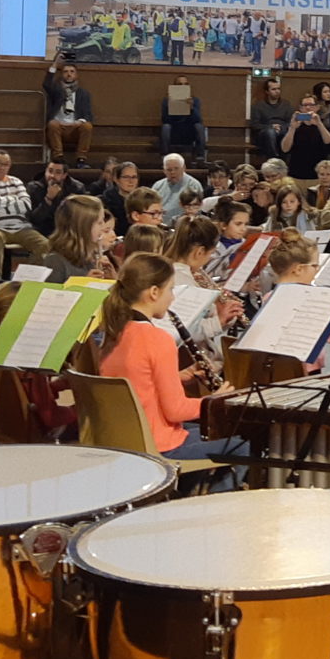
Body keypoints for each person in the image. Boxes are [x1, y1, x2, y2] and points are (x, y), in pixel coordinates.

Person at [96, 254, 243, 480]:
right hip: (160, 446)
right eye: (171, 290)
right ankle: (209, 502)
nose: (172, 298)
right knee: (246, 441)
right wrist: (215, 401)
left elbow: (134, 382)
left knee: (212, 432)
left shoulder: (113, 332)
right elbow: (176, 411)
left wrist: (178, 377)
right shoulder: (158, 339)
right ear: (154, 292)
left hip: (125, 439)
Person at [0, 151, 52, 281]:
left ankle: (27, 278)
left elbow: (25, 205)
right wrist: (12, 200)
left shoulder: (16, 182)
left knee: (44, 244)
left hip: (20, 227)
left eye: (6, 164)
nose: (1, 167)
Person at [165, 215, 244, 348]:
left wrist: (223, 313)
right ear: (200, 252)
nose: (209, 259)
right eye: (211, 253)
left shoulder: (188, 272)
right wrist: (219, 321)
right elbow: (185, 331)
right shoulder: (182, 282)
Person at [40, 195, 113, 284]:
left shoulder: (93, 255)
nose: (103, 227)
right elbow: (49, 295)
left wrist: (112, 280)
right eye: (99, 222)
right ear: (83, 227)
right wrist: (83, 283)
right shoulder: (55, 261)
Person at [42, 58, 94, 166]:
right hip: (59, 125)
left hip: (75, 126)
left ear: (76, 75)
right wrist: (54, 65)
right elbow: (47, 85)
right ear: (61, 74)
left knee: (87, 126)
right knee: (52, 124)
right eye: (65, 72)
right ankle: (58, 157)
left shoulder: (83, 94)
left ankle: (81, 159)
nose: (69, 74)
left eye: (72, 72)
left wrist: (80, 122)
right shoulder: (57, 91)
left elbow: (88, 114)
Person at [277, 93, 330, 183]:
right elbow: (285, 149)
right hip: (296, 174)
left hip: (317, 175)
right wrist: (292, 128)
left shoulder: (323, 125)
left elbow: (329, 142)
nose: (308, 108)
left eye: (311, 105)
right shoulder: (293, 125)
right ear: (300, 108)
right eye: (305, 105)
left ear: (317, 107)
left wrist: (319, 124)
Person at [27, 157, 85, 237]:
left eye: (58, 172)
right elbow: (35, 219)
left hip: (67, 229)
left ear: (64, 175)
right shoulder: (34, 187)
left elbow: (80, 215)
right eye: (50, 171)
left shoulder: (76, 188)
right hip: (42, 230)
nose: (52, 175)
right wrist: (48, 199)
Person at [159, 74, 207, 164]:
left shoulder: (195, 100)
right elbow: (164, 120)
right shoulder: (166, 101)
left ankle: (200, 157)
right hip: (174, 132)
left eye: (185, 84)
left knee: (199, 127)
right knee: (165, 127)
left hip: (188, 132)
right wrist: (170, 105)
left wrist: (191, 107)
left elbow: (198, 120)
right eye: (180, 84)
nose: (183, 87)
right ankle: (164, 157)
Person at [247, 76, 294, 163]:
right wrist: (270, 126)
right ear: (267, 91)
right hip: (265, 133)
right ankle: (274, 160)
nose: (277, 91)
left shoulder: (286, 105)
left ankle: (283, 162)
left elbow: (290, 122)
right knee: (270, 132)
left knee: (286, 133)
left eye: (278, 89)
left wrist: (280, 127)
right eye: (273, 89)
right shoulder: (258, 106)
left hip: (282, 130)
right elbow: (254, 124)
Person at [150, 154, 204, 225]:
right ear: (164, 170)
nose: (172, 172)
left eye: (176, 169)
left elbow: (196, 210)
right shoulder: (157, 185)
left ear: (184, 168)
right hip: (159, 224)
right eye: (169, 170)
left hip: (184, 226)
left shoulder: (193, 185)